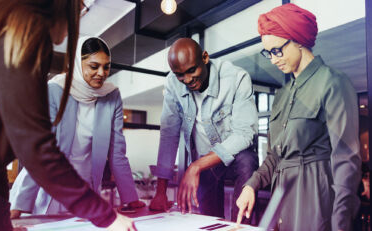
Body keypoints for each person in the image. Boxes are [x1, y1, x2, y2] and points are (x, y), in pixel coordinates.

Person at [0, 1, 135, 230]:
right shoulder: (25, 32)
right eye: (80, 5)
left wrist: (2, 224)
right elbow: (35, 147)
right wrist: (106, 217)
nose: (81, 14)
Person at [236, 3, 361, 231]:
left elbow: (346, 159)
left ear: (298, 41)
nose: (273, 60)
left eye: (277, 50)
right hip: (281, 200)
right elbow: (276, 155)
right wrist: (251, 185)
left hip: (315, 198)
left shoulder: (333, 83)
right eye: (268, 53)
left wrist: (341, 223)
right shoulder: (282, 95)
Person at [9, 36, 145, 218]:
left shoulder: (111, 96)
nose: (102, 73)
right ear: (77, 64)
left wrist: (130, 198)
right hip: (50, 186)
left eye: (106, 66)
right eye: (94, 66)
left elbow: (117, 153)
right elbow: (41, 151)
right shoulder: (55, 91)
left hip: (86, 189)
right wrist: (19, 205)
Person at [149, 38, 259, 220]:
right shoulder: (172, 84)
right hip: (204, 162)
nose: (188, 79)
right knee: (207, 219)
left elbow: (244, 134)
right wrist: (160, 192)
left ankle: (241, 226)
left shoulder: (237, 77)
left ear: (205, 58)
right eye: (180, 75)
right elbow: (169, 135)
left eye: (192, 70)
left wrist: (196, 166)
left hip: (234, 158)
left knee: (247, 160)